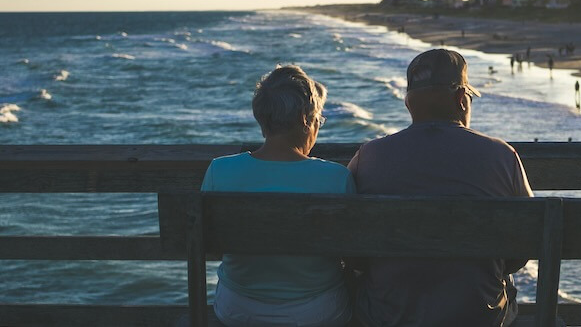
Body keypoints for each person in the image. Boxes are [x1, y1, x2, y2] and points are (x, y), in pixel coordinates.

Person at [348, 49, 533, 327]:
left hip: (389, 316)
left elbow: (350, 249)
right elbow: (525, 243)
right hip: (480, 317)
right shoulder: (502, 156)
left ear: (409, 104)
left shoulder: (368, 156)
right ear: (461, 99)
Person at [201, 65, 353, 327]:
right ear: (306, 119)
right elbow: (354, 254)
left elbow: (208, 244)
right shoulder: (336, 178)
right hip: (315, 313)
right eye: (319, 119)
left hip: (237, 309)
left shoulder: (219, 170)